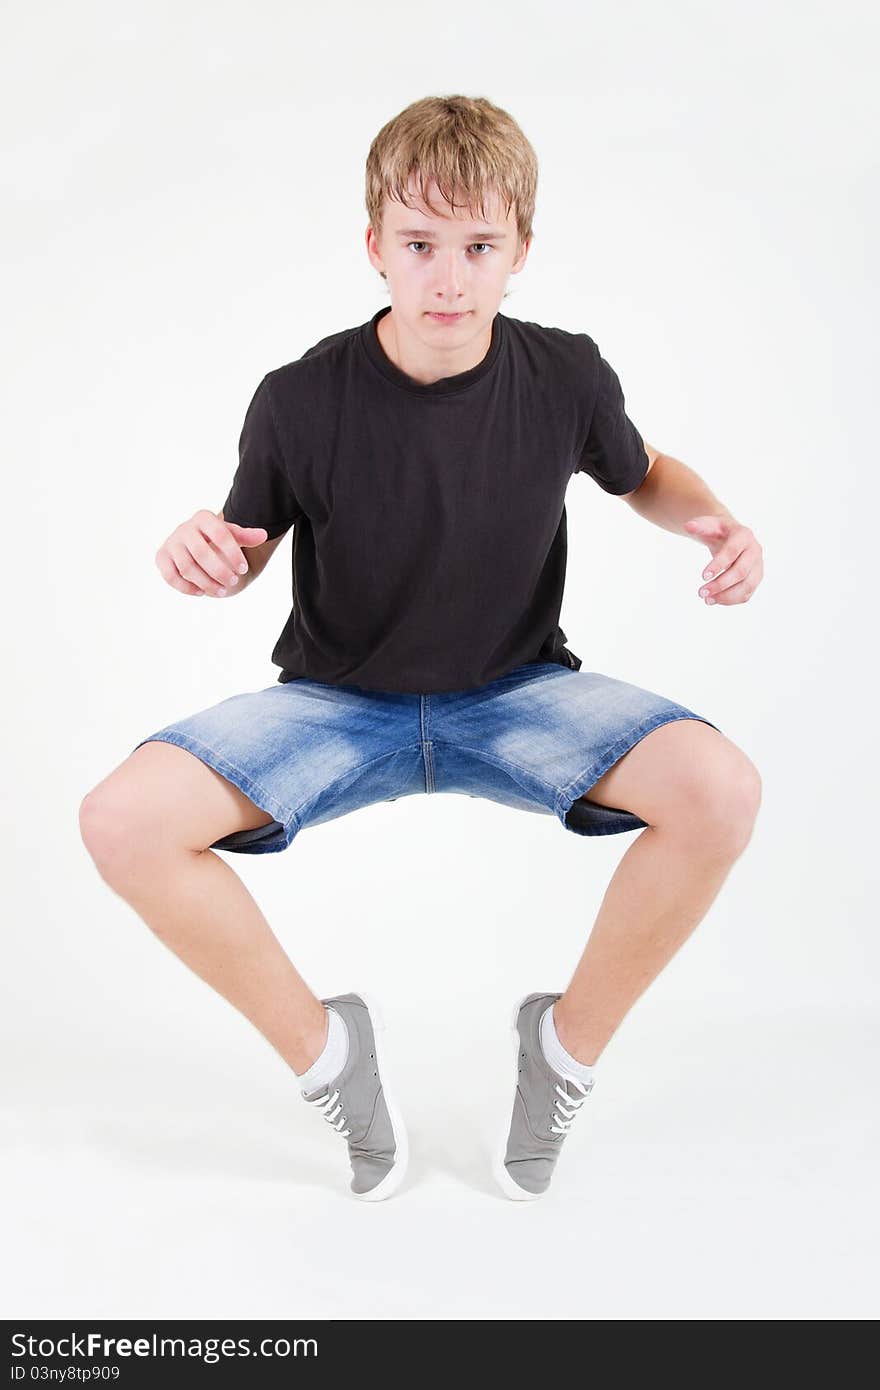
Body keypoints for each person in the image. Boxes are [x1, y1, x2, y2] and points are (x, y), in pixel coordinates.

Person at [79, 94, 763, 1203]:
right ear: (375, 249)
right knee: (119, 822)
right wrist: (201, 549)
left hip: (519, 694)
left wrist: (716, 523)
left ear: (519, 254)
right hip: (339, 704)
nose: (449, 277)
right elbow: (244, 543)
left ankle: (563, 1050)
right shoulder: (299, 398)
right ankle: (329, 1056)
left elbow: (645, 473)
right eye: (420, 245)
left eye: (479, 247)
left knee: (721, 792)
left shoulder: (564, 375)